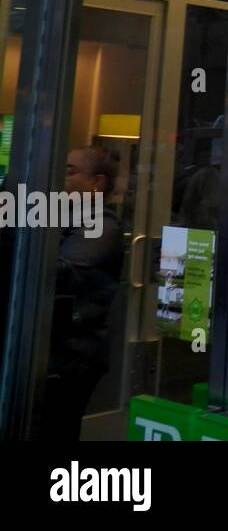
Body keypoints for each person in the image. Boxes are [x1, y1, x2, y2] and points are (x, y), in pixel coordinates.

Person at [39, 145, 125, 440]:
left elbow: (59, 272)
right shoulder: (63, 216)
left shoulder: (101, 224)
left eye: (71, 171)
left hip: (72, 354)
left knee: (54, 428)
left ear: (97, 183)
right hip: (53, 347)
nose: (61, 177)